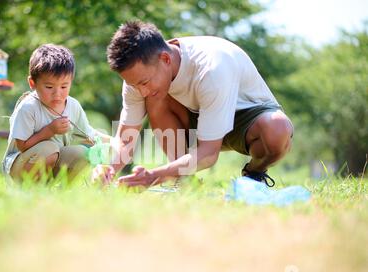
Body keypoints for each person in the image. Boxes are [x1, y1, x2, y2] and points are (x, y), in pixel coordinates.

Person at [92, 20, 294, 187]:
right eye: (134, 85)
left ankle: (253, 175)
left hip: (246, 118)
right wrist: (108, 169)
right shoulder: (139, 79)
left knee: (277, 129)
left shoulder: (212, 69)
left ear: (165, 59)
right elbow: (125, 137)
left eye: (144, 82)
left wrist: (155, 175)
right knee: (154, 96)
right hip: (196, 116)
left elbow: (208, 154)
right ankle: (184, 181)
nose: (141, 91)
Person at [3, 44, 109, 181]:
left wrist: (113, 142)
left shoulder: (73, 106)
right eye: (49, 87)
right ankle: (32, 189)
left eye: (64, 86)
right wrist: (49, 130)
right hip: (20, 166)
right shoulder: (28, 107)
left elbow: (88, 134)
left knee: (83, 153)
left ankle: (58, 190)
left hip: (52, 160)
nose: (57, 94)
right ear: (32, 83)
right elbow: (22, 146)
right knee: (49, 148)